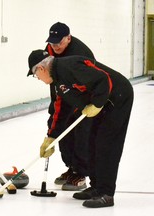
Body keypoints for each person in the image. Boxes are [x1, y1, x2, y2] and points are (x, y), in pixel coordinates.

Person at [27, 50, 133, 208]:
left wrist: (97, 103)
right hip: (102, 103)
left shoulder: (69, 66)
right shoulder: (58, 81)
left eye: (36, 75)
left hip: (117, 97)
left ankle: (106, 193)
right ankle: (96, 187)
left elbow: (103, 79)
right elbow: (60, 110)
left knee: (106, 144)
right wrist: (51, 137)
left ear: (41, 69)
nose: (39, 79)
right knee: (91, 142)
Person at [44, 22, 95, 191]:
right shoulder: (50, 50)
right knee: (60, 130)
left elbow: (91, 81)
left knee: (80, 133)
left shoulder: (81, 53)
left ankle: (81, 173)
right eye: (52, 42)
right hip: (61, 94)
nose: (55, 46)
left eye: (59, 42)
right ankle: (71, 167)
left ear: (69, 38)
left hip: (83, 98)